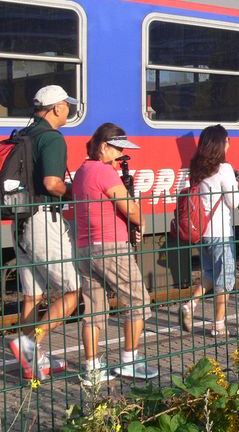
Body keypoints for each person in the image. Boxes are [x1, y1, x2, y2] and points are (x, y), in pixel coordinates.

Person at [73, 123, 158, 385]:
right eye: (117, 148)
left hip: (84, 248)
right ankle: (129, 360)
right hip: (110, 246)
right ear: (103, 146)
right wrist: (140, 222)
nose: (120, 153)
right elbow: (129, 208)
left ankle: (92, 368)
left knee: (94, 308)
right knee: (138, 300)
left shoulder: (81, 171)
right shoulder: (104, 172)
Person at [7, 85, 79, 381]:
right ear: (55, 108)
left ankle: (31, 361)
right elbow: (52, 183)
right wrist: (74, 192)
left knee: (31, 296)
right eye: (66, 105)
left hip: (19, 220)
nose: (69, 110)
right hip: (42, 220)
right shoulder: (51, 138)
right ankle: (28, 344)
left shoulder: (24, 135)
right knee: (75, 290)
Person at [179, 125, 239, 338]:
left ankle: (190, 305)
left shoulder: (196, 168)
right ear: (220, 144)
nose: (229, 144)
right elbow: (234, 201)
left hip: (201, 232)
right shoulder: (224, 169)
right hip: (221, 232)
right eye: (227, 140)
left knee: (209, 273)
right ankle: (218, 325)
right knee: (225, 279)